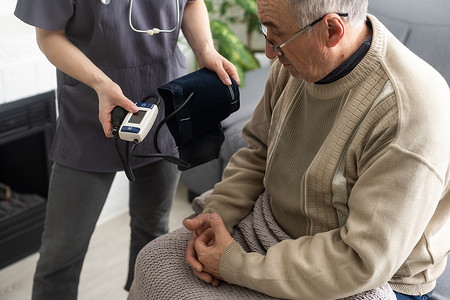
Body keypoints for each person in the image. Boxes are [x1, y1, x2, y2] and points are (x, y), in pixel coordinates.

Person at [127, 0, 450, 299]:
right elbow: (257, 151)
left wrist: (235, 265)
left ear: (332, 30)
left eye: (276, 37)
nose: (269, 53)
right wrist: (216, 215)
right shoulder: (297, 63)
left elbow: (361, 260)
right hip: (274, 231)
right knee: (152, 261)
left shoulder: (410, 111)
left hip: (374, 276)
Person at [14, 0, 239, 299]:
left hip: (161, 109)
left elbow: (191, 3)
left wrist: (206, 49)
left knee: (151, 232)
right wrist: (100, 83)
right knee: (61, 252)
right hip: (89, 112)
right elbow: (49, 35)